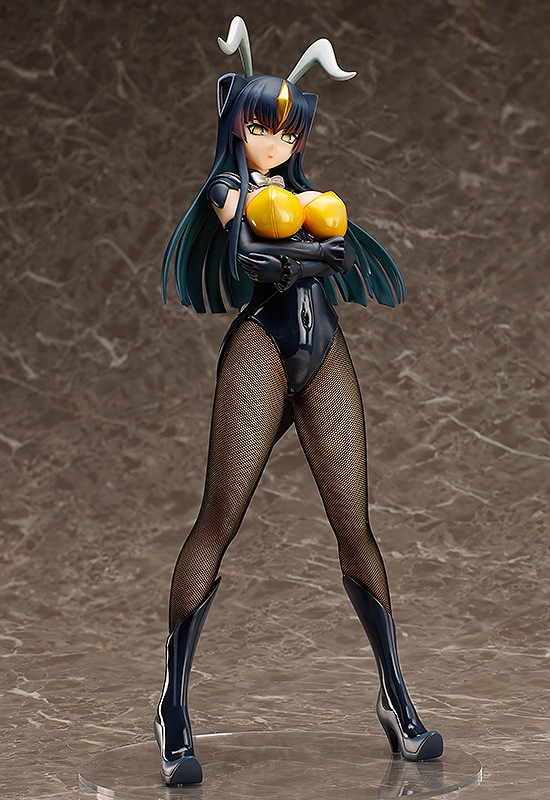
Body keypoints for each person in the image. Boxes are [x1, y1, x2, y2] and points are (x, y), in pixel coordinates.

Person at [155, 16, 443, 786]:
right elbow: (255, 257)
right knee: (218, 520)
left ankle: (395, 697)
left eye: (288, 131)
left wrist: (307, 250)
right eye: (261, 128)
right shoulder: (229, 188)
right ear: (236, 127)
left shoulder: (302, 193)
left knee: (357, 526)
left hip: (324, 351)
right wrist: (309, 251)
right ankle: (173, 707)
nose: (276, 143)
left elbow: (336, 253)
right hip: (261, 349)